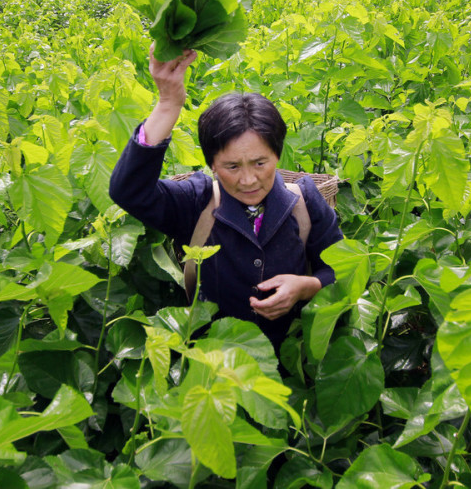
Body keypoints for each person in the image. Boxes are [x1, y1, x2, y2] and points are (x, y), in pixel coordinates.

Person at [109, 47, 343, 350]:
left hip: (293, 359)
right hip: (215, 363)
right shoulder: (197, 202)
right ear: (211, 165)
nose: (248, 180)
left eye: (260, 163)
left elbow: (340, 270)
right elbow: (129, 190)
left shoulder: (304, 201)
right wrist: (168, 104)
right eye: (231, 166)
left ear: (278, 155)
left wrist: (306, 287)